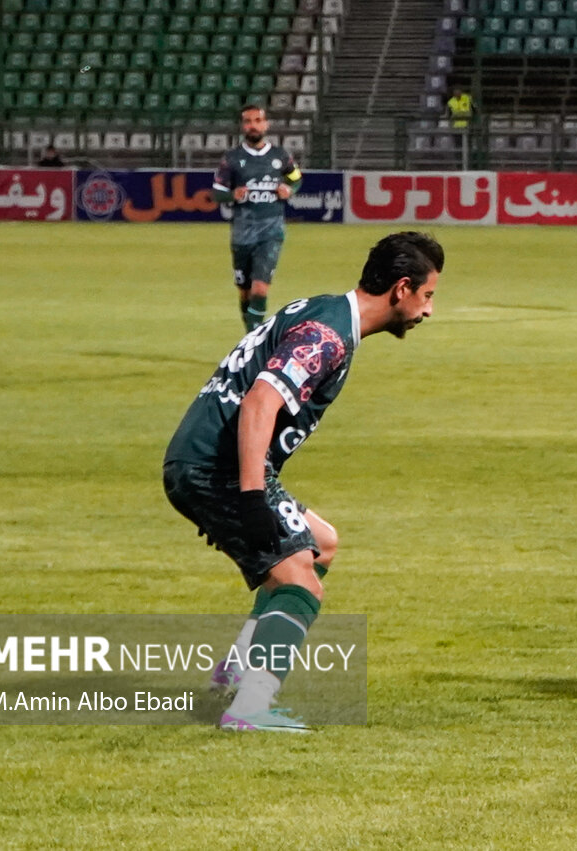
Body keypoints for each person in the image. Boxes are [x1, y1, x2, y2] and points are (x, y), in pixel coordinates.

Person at [163, 232, 445, 732]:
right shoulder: (327, 335)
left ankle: (234, 670)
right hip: (219, 467)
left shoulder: (325, 309)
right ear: (402, 289)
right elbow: (260, 402)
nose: (428, 312)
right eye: (427, 296)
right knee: (300, 582)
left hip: (210, 459)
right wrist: (252, 499)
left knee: (321, 544)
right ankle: (249, 707)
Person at [212, 103, 303, 331]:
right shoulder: (232, 158)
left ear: (266, 124)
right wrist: (232, 194)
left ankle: (255, 339)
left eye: (257, 120)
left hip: (271, 230)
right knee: (244, 290)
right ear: (243, 126)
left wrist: (290, 189)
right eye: (248, 121)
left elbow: (297, 178)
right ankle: (250, 334)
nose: (253, 125)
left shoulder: (280, 156)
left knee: (260, 288)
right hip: (242, 232)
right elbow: (216, 192)